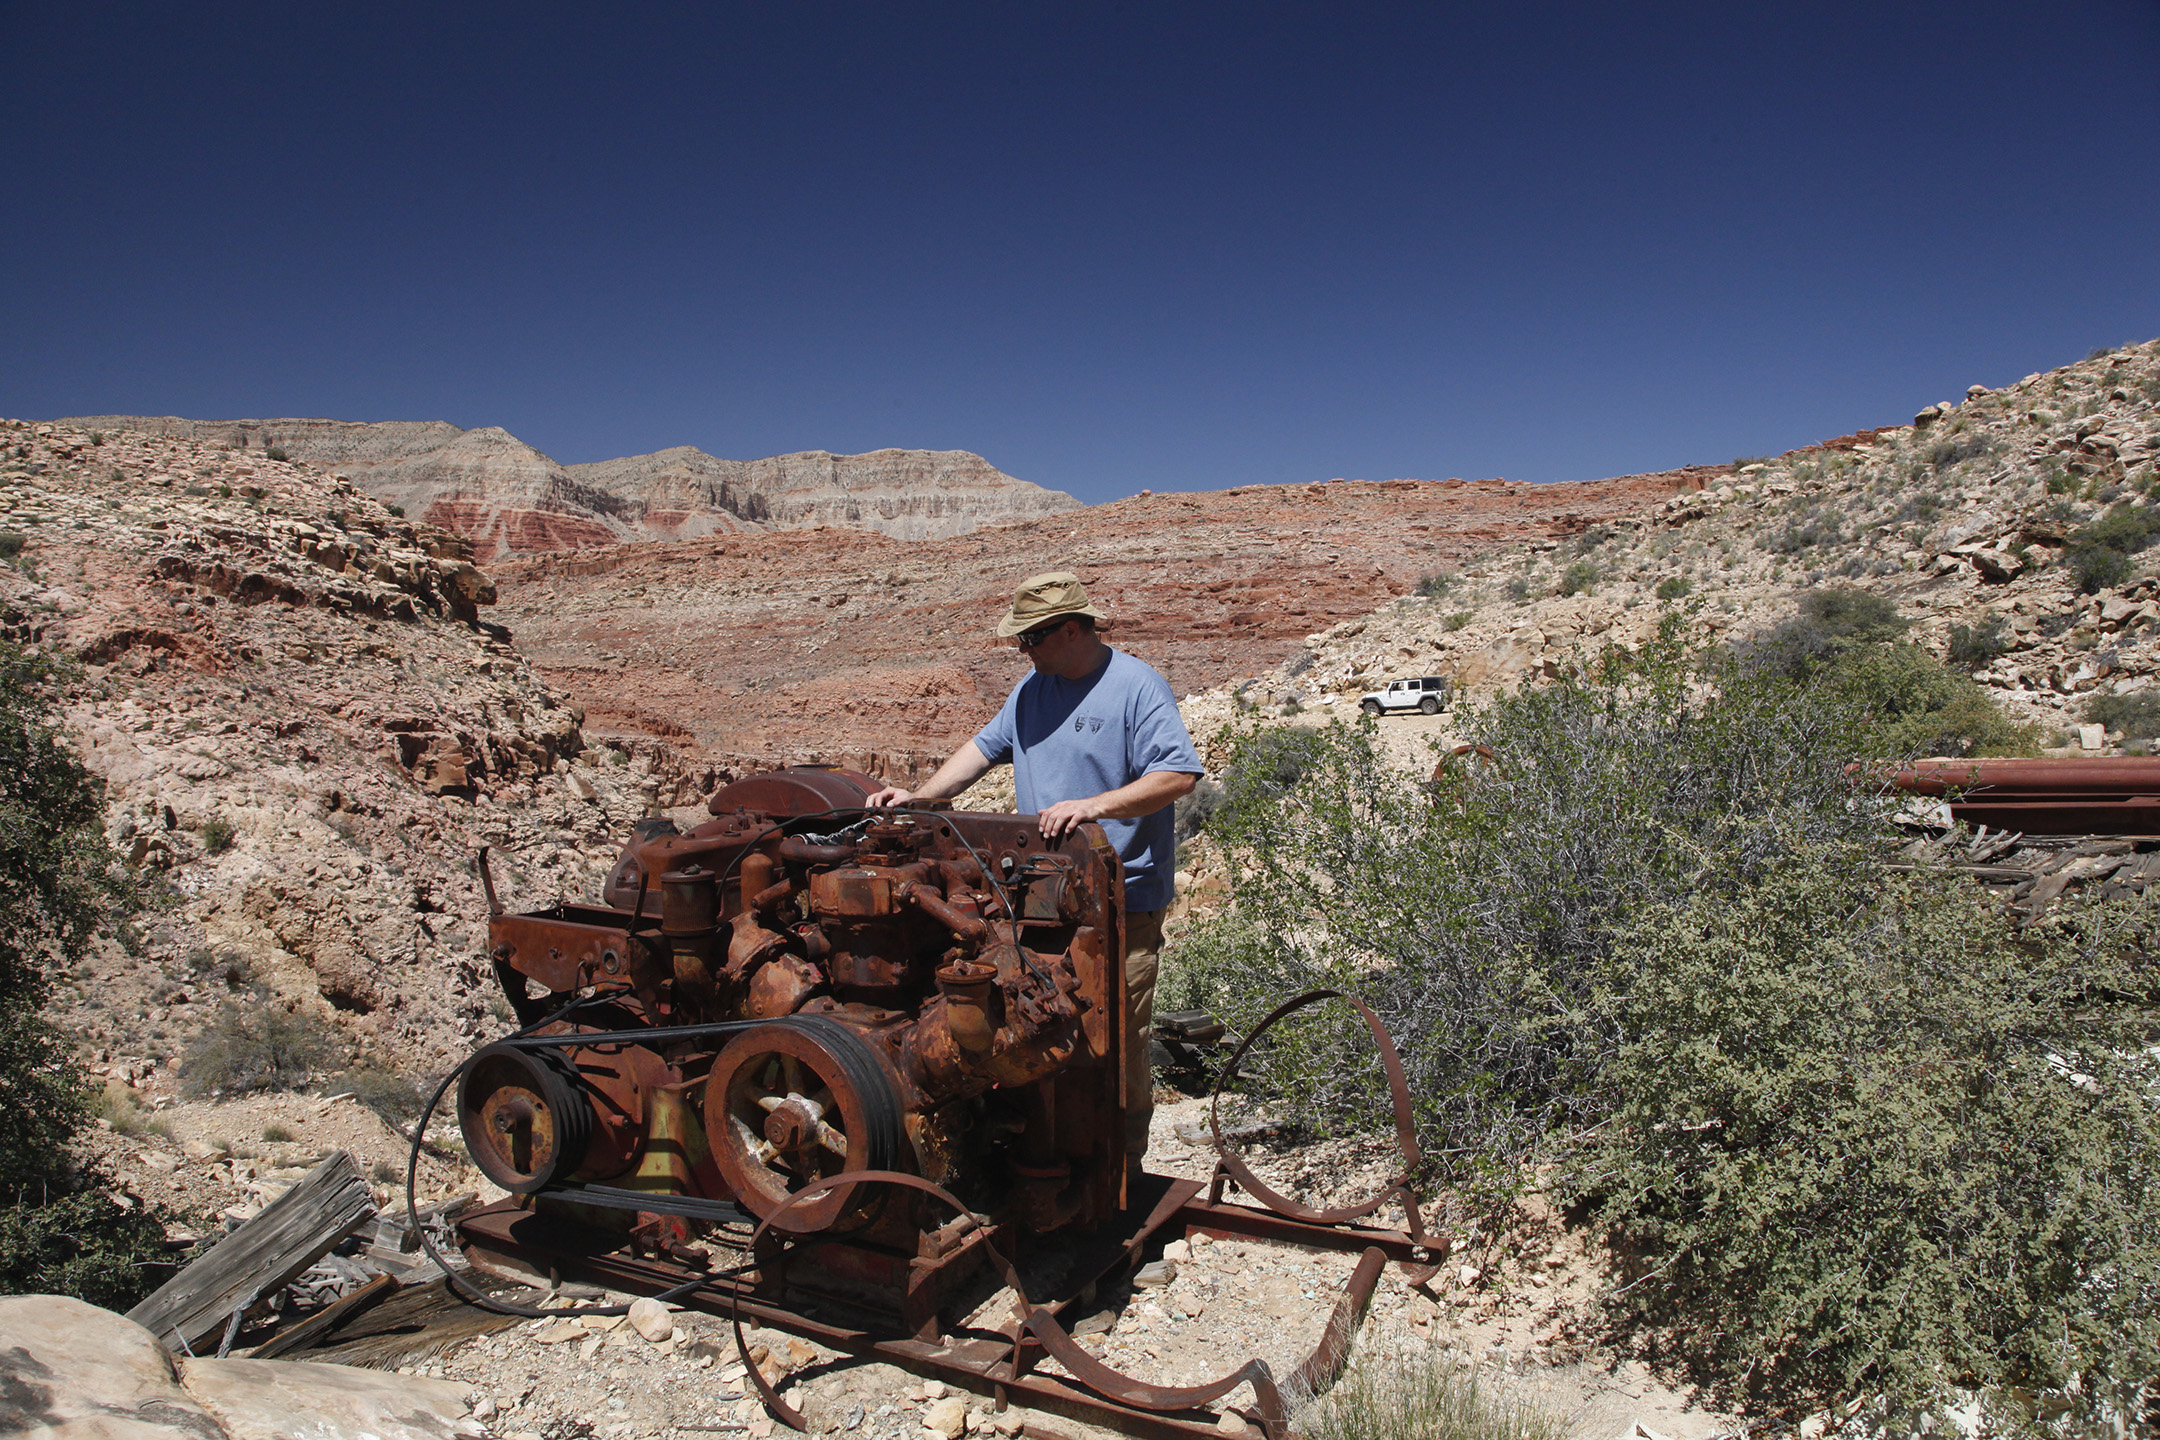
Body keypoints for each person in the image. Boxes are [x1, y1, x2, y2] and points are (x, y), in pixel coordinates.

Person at [867, 571, 1202, 1181]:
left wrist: (1091, 806)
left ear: (1070, 630)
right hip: (1034, 905)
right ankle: (1035, 1167)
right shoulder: (1031, 688)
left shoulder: (1136, 687)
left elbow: (1178, 776)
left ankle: (1117, 1182)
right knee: (1027, 1031)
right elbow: (980, 750)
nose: (1024, 652)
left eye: (1031, 640)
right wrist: (918, 799)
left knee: (1112, 1049)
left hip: (1118, 906)